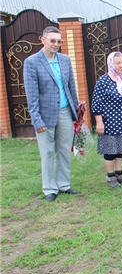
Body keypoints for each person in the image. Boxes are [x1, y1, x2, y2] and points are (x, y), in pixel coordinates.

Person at [23, 26, 84, 202]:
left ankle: (64, 184)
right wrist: (36, 119)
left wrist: (76, 113)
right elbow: (32, 94)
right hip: (44, 114)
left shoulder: (65, 60)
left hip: (65, 112)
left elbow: (71, 87)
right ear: (43, 40)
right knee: (48, 152)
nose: (56, 44)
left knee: (65, 149)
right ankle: (49, 188)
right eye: (52, 41)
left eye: (59, 41)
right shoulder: (32, 62)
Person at [92, 52, 122, 187]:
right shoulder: (103, 81)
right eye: (117, 63)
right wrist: (99, 122)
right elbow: (96, 103)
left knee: (121, 149)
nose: (121, 66)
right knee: (110, 150)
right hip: (110, 122)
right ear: (110, 64)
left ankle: (120, 174)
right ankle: (110, 177)